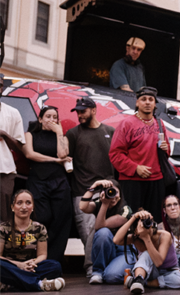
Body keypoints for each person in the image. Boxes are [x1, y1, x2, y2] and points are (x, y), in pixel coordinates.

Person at [66, 97, 116, 277]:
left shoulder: (110, 131)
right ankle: (91, 269)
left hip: (109, 191)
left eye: (83, 111)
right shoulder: (73, 133)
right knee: (89, 233)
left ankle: (104, 268)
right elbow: (66, 160)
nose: (79, 115)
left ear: (94, 110)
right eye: (77, 111)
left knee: (105, 232)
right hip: (83, 190)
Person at [109, 86, 170, 222]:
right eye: (143, 99)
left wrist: (166, 149)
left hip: (156, 181)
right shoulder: (126, 124)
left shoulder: (160, 124)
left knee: (155, 222)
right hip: (132, 181)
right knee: (130, 221)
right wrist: (135, 168)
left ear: (155, 104)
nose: (147, 102)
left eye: (150, 99)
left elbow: (166, 154)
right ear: (137, 103)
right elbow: (115, 154)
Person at [22, 106, 72, 264]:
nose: (51, 120)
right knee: (42, 217)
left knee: (62, 219)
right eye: (48, 116)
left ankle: (53, 261)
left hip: (59, 181)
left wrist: (59, 133)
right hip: (38, 180)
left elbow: (63, 154)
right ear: (40, 119)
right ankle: (37, 257)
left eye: (54, 117)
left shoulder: (62, 137)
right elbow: (30, 154)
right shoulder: (30, 135)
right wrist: (56, 161)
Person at [114, 210, 180, 294]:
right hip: (148, 272)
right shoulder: (135, 239)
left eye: (148, 223)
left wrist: (146, 238)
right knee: (146, 254)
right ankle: (139, 279)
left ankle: (144, 283)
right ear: (135, 231)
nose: (146, 227)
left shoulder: (164, 235)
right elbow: (116, 240)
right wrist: (133, 218)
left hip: (169, 272)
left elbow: (158, 262)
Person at [0, 190, 65, 292]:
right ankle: (38, 284)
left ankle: (10, 283)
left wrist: (30, 264)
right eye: (19, 203)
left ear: (33, 207)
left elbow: (42, 255)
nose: (24, 207)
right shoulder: (3, 228)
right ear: (12, 207)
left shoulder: (40, 228)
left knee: (55, 266)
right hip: (10, 266)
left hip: (31, 266)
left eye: (28, 203)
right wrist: (19, 265)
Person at [80, 179, 133, 284]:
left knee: (110, 277)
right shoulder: (99, 203)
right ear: (102, 194)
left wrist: (105, 204)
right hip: (106, 249)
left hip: (123, 252)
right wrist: (93, 187)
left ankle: (131, 271)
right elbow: (82, 206)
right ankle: (97, 272)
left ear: (121, 194)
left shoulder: (125, 210)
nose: (112, 196)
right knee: (103, 233)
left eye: (115, 192)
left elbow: (100, 225)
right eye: (109, 192)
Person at [0, 73, 25, 223]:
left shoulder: (12, 112)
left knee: (4, 218)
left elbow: (21, 147)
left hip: (5, 171)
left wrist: (4, 134)